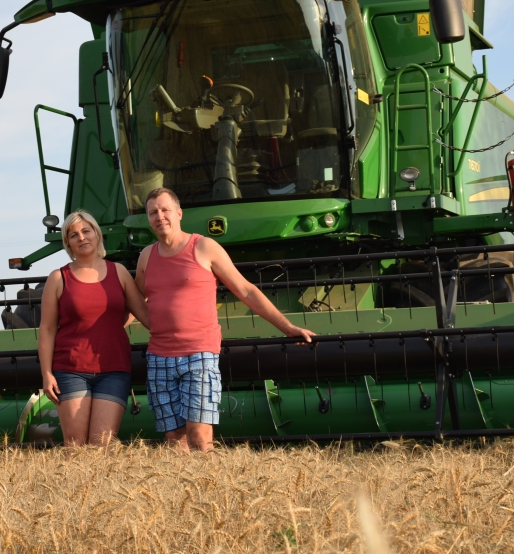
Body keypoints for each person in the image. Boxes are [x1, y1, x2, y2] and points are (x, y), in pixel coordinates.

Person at [135, 187, 315, 452]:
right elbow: (135, 302)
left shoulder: (204, 247)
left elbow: (245, 290)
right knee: (174, 440)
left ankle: (211, 491)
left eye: (165, 210)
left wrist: (287, 326)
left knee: (199, 437)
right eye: (153, 212)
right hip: (159, 356)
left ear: (179, 213)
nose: (159, 216)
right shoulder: (146, 256)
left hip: (198, 354)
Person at [38, 210, 150, 447]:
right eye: (73, 234)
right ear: (67, 243)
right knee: (76, 446)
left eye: (86, 231)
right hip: (70, 370)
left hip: (114, 370)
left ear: (97, 234)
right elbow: (47, 329)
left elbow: (145, 314)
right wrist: (47, 374)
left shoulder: (119, 272)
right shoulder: (59, 278)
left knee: (103, 444)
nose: (81, 237)